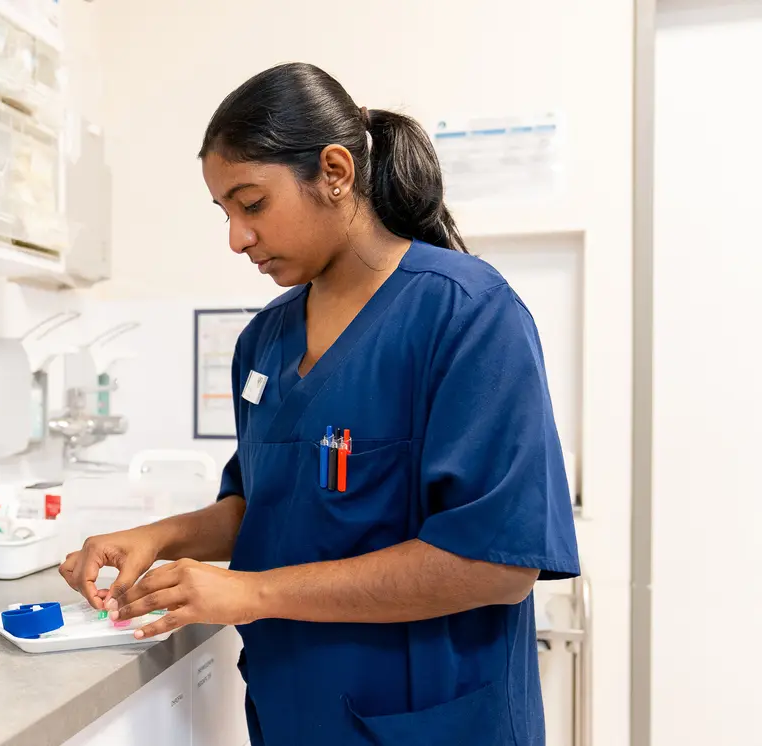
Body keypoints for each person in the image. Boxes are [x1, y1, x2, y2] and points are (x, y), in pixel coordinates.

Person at [59, 62, 580, 745]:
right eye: (224, 212)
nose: (236, 237)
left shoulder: (466, 314)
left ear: (334, 172)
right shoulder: (265, 341)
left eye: (252, 204)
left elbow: (496, 565)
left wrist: (252, 592)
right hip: (295, 713)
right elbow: (263, 508)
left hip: (431, 725)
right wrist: (157, 538)